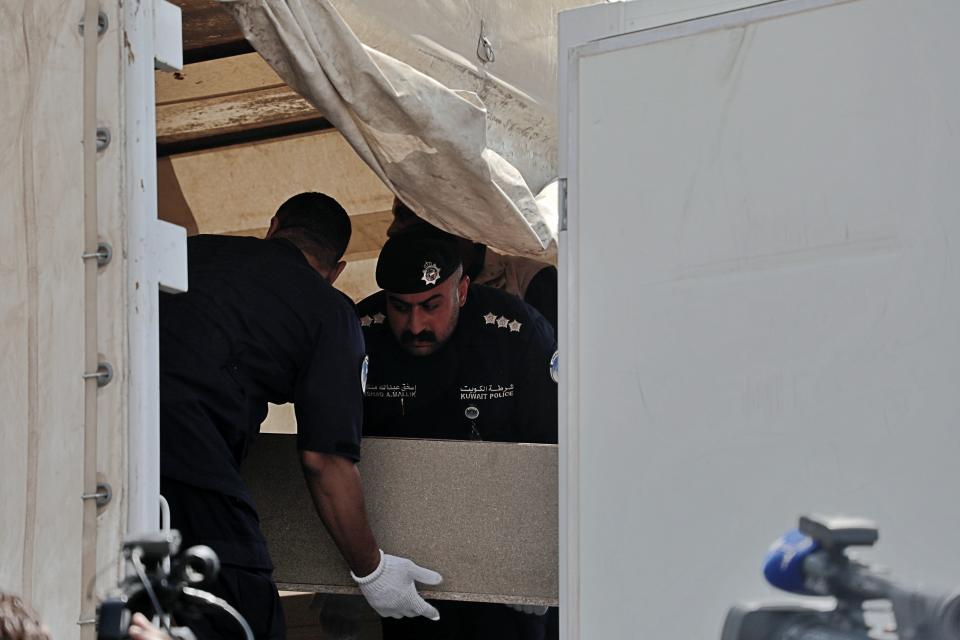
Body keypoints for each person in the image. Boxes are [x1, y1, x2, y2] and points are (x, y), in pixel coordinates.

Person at [159, 192, 442, 639]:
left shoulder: (190, 252)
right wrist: (373, 570)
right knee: (243, 613)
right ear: (337, 272)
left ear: (272, 227)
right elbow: (324, 460)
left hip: (100, 444)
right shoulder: (328, 311)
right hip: (191, 460)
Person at [357, 229, 558, 639]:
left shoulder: (514, 332)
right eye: (400, 307)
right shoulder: (361, 333)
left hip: (504, 548)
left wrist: (543, 555)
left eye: (432, 305)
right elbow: (335, 451)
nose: (416, 325)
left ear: (463, 291)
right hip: (406, 555)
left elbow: (554, 452)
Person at [388, 199, 558, 333]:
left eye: (405, 216)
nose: (392, 230)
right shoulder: (402, 292)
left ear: (451, 221)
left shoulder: (530, 280)